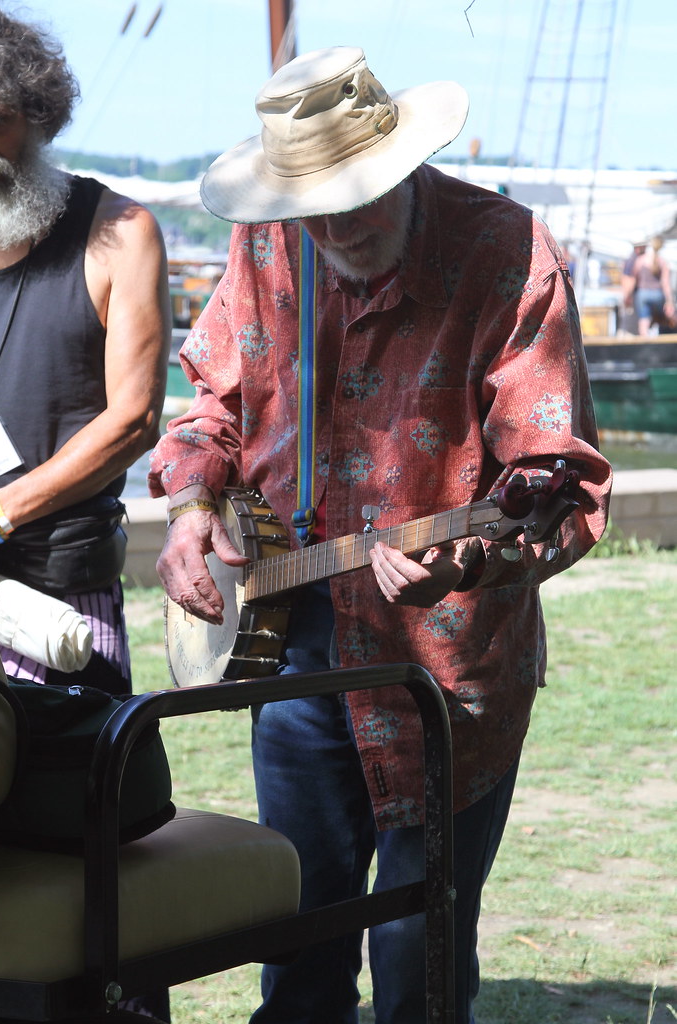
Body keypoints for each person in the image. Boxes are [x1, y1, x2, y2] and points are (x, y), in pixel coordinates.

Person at [149, 47, 612, 1024]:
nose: (330, 227)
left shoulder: (503, 250)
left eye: (353, 201)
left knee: (419, 960)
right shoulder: (268, 246)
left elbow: (554, 483)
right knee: (301, 947)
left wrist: (474, 553)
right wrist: (191, 508)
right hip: (298, 656)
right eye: (310, 206)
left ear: (402, 165)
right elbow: (208, 412)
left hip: (447, 666)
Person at [0, 6, 171, 696]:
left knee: (66, 795)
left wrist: (2, 513)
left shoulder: (122, 233)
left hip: (59, 598)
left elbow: (133, 421)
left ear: (39, 117)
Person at [627, 236, 674, 336]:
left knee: (644, 320)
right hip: (658, 294)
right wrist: (669, 301)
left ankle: (645, 339)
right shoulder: (662, 261)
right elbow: (666, 283)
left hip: (642, 294)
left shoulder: (640, 260)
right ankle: (660, 336)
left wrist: (628, 296)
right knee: (661, 318)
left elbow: (633, 280)